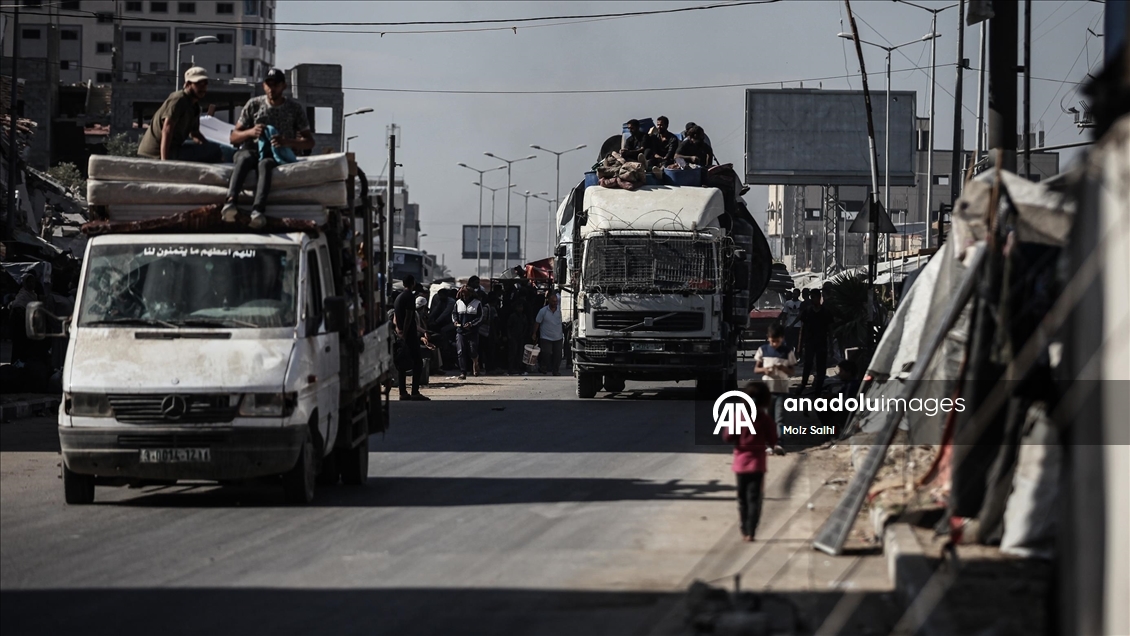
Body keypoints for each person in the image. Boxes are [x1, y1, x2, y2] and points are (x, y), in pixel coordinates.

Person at [223, 68, 315, 229]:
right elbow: (234, 137)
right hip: (251, 149)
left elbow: (309, 142)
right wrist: (250, 132)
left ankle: (258, 209)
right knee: (244, 159)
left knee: (265, 165)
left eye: (276, 85)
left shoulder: (294, 108)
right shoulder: (254, 105)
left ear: (284, 86)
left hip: (275, 154)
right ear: (264, 86)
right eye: (269, 84)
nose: (272, 89)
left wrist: (287, 142)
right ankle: (231, 201)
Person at [722, 382, 785, 542]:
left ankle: (744, 529)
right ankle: (751, 531)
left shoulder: (739, 417)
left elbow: (728, 437)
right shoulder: (765, 420)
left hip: (740, 465)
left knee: (742, 498)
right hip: (758, 465)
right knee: (755, 498)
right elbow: (773, 440)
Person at [137, 67, 222, 163]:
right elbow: (167, 130)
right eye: (198, 83)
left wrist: (207, 147)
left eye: (205, 83)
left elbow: (195, 134)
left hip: (174, 149)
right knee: (213, 150)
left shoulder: (195, 107)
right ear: (188, 84)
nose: (203, 87)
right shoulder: (179, 99)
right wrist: (164, 161)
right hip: (155, 153)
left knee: (214, 149)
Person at [754, 323, 796, 436]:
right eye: (772, 341)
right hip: (767, 390)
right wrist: (765, 370)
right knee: (768, 418)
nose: (774, 344)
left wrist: (782, 368)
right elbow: (756, 369)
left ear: (782, 338)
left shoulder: (787, 352)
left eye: (777, 341)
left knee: (779, 418)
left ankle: (779, 442)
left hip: (782, 390)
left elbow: (792, 372)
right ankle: (769, 441)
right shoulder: (763, 350)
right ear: (768, 338)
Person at [393, 275, 429, 401]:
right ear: (413, 283)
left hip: (400, 334)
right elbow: (409, 317)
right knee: (418, 362)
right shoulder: (409, 297)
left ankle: (403, 392)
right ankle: (414, 392)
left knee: (402, 363)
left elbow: (395, 317)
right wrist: (405, 333)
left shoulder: (398, 297)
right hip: (409, 335)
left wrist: (398, 330)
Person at [798, 289, 831, 395]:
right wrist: (800, 346)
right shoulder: (807, 311)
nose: (812, 300)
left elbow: (830, 329)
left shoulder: (825, 312)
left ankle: (818, 388)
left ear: (819, 298)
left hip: (821, 342)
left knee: (821, 365)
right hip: (810, 342)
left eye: (814, 297)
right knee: (808, 364)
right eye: (811, 297)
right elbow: (802, 328)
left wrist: (830, 345)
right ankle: (803, 384)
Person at [453, 285, 483, 380]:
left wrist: (471, 324)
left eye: (466, 294)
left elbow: (480, 317)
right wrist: (455, 321)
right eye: (462, 294)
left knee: (473, 350)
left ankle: (475, 362)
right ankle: (463, 372)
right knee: (461, 351)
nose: (464, 296)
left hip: (472, 331)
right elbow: (454, 314)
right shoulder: (458, 303)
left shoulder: (477, 303)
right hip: (460, 331)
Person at [533, 290, 564, 375]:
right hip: (546, 337)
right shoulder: (543, 311)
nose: (555, 303)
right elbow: (537, 322)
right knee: (546, 353)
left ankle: (555, 370)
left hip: (558, 337)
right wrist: (534, 333)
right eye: (553, 301)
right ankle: (544, 367)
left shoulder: (560, 311)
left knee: (558, 355)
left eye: (556, 301)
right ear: (549, 301)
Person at [506, 300, 528, 376]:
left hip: (521, 336)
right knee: (513, 353)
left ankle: (519, 369)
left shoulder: (523, 316)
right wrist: (509, 336)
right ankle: (511, 369)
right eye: (519, 307)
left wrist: (524, 334)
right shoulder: (513, 316)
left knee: (520, 353)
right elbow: (508, 327)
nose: (520, 308)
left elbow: (526, 326)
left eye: (521, 307)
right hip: (513, 336)